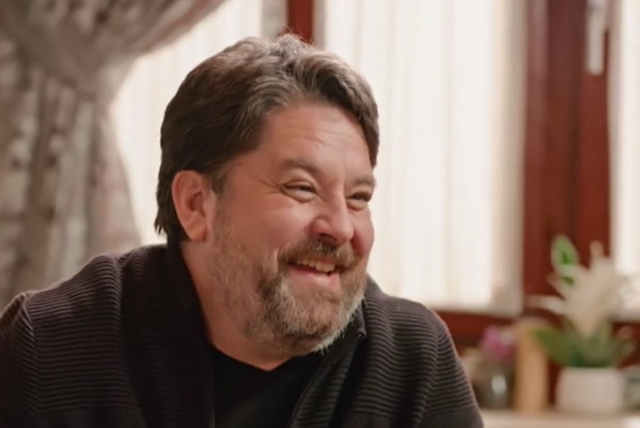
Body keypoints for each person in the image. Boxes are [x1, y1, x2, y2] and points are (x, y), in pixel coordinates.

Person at [0, 35, 483, 428]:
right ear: (196, 204)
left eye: (359, 198)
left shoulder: (412, 361)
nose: (340, 226)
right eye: (301, 188)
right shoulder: (50, 347)